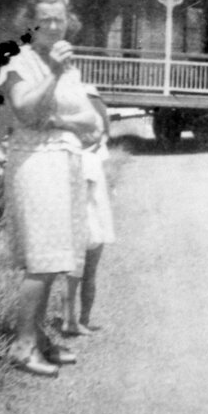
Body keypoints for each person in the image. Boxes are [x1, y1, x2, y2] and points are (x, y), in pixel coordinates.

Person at [0, 0, 103, 376]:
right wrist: (55, 73)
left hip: (66, 162)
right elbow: (25, 111)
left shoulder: (68, 65)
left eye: (60, 19)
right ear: (31, 23)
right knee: (41, 259)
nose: (54, 26)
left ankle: (39, 338)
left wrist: (70, 123)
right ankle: (22, 346)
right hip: (36, 164)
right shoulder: (17, 61)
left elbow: (91, 120)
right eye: (46, 20)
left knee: (58, 257)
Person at [61, 86, 116, 336]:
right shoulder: (91, 158)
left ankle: (74, 319)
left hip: (81, 221)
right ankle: (77, 319)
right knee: (86, 275)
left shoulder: (74, 156)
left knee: (74, 275)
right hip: (89, 223)